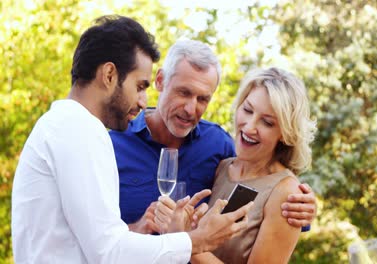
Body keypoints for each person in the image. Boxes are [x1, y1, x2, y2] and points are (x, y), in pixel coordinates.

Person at [11, 15, 252, 264]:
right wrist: (197, 240)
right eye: (139, 86)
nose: (142, 101)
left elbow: (98, 243)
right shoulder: (79, 131)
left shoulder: (64, 126)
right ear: (109, 75)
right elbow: (110, 252)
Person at [109, 39, 317, 235]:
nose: (191, 109)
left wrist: (302, 207)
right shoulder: (112, 145)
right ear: (161, 81)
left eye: (202, 99)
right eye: (184, 93)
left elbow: (263, 176)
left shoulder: (218, 145)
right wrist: (136, 229)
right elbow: (89, 236)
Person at [156, 67, 317, 263]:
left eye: (267, 122)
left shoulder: (287, 193)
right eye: (247, 110)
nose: (249, 126)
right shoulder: (223, 168)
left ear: (285, 132)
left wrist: (184, 240)